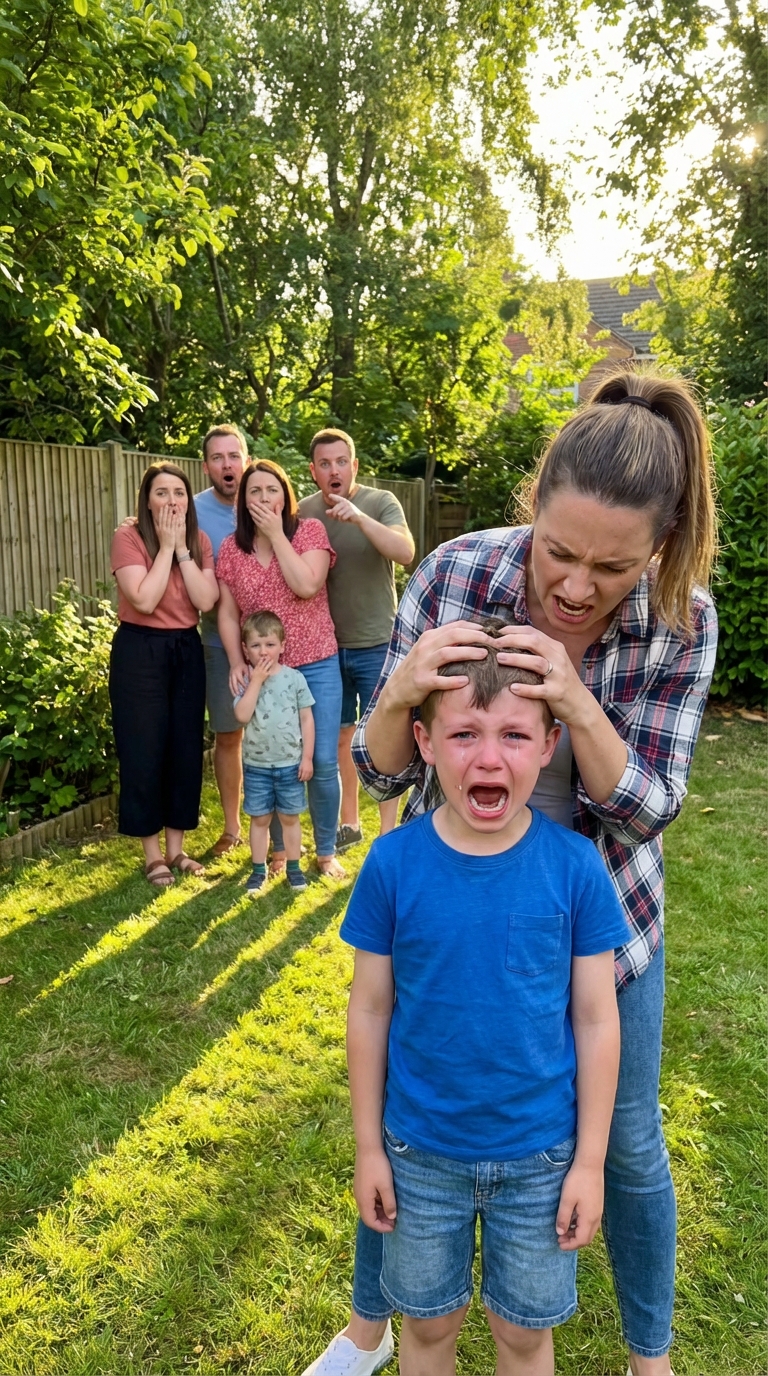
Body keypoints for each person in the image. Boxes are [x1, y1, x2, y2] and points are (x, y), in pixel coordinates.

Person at [308, 368, 718, 1376]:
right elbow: (381, 765)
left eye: (612, 566)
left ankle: (649, 1353)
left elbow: (652, 803)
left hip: (601, 914)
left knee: (623, 1142)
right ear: (531, 506)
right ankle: (374, 1327)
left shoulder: (681, 620)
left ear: (657, 548)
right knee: (411, 1113)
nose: (578, 584)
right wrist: (399, 691)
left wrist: (576, 701)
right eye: (561, 551)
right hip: (447, 910)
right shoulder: (455, 572)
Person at [334, 625, 629, 1376]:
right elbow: (369, 1010)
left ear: (550, 743)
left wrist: (589, 1162)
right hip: (419, 1154)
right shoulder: (393, 863)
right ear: (426, 743)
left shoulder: (575, 869)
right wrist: (369, 1146)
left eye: (513, 735)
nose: (489, 756)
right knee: (429, 1331)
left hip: (540, 1157)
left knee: (523, 1336)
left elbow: (597, 1021)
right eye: (464, 733)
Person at [216, 458, 346, 878]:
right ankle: (278, 852)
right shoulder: (231, 549)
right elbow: (229, 612)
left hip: (316, 663)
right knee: (270, 761)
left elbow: (306, 585)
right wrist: (237, 660)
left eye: (272, 489)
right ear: (242, 500)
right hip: (264, 671)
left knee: (322, 761)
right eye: (254, 491)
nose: (263, 497)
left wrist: (276, 535)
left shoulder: (309, 531)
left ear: (286, 496)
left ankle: (325, 852)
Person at [298, 428, 415, 849]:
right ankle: (349, 822)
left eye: (341, 461)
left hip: (378, 641)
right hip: (325, 649)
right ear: (313, 471)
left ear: (355, 466)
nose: (334, 470)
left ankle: (387, 832)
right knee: (341, 736)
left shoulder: (380, 503)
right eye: (325, 464)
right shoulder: (303, 513)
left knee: (387, 734)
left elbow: (405, 552)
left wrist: (359, 518)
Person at [109, 462, 219, 886]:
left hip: (185, 649)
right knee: (144, 747)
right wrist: (166, 548)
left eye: (178, 493)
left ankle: (177, 850)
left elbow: (205, 600)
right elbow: (145, 599)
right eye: (161, 492)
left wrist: (183, 549)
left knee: (184, 748)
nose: (171, 500)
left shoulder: (201, 541)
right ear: (146, 499)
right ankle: (152, 854)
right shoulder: (129, 537)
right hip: (140, 650)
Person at [194, 424, 249, 857]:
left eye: (234, 455)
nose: (227, 465)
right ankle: (232, 830)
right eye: (218, 458)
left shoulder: (268, 498)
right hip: (216, 640)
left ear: (246, 458)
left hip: (273, 643)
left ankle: (280, 830)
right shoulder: (192, 511)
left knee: (281, 734)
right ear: (206, 465)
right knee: (228, 736)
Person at [233, 611, 315, 894]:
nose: (263, 651)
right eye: (255, 646)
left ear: (282, 645)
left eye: (269, 644)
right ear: (245, 649)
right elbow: (242, 716)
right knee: (260, 819)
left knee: (291, 818)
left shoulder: (295, 679)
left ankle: (294, 868)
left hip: (291, 764)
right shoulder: (244, 680)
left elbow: (307, 720)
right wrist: (256, 681)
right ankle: (258, 871)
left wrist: (306, 758)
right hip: (257, 766)